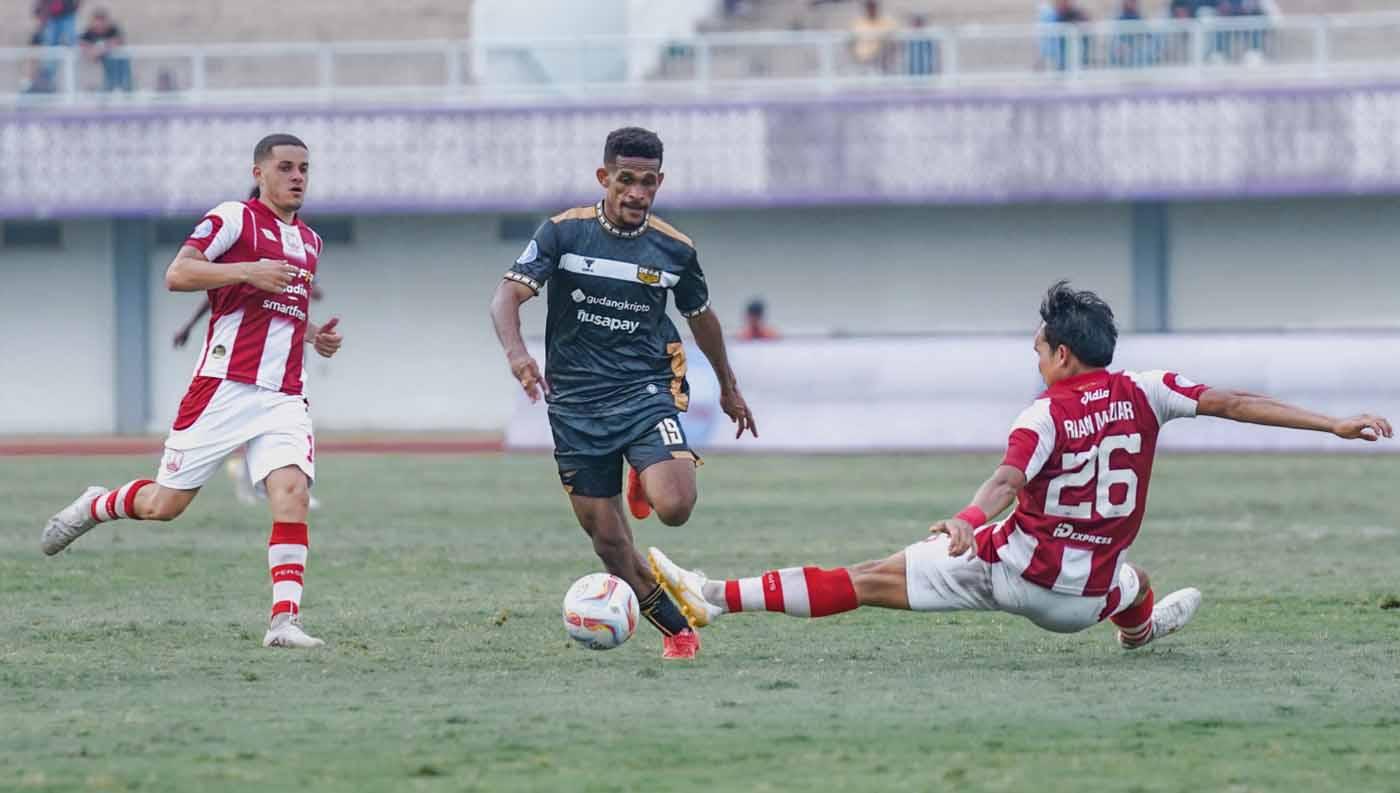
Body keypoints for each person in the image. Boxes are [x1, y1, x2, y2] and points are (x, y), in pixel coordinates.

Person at [650, 281, 1391, 651]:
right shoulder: (1150, 389)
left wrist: (970, 521)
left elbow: (1006, 481)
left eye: (1039, 347)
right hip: (1087, 592)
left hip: (1018, 575)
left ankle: (711, 594)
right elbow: (1234, 401)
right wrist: (1333, 421)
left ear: (1063, 355)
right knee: (1130, 579)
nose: (1034, 356)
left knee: (870, 577)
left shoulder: (1043, 415)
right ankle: (1140, 631)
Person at [42, 134, 344, 650]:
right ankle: (97, 504)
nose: (297, 177)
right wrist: (247, 268)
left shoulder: (310, 242)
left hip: (284, 394)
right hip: (223, 387)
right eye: (286, 167)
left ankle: (283, 622)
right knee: (165, 505)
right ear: (259, 173)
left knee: (291, 493)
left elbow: (279, 304)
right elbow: (178, 273)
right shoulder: (233, 218)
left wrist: (314, 334)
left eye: (304, 169)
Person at [490, 126, 758, 660]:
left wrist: (729, 387)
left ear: (660, 182)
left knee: (676, 506)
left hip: (643, 391)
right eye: (626, 180)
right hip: (573, 404)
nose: (637, 193)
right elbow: (506, 297)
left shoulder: (674, 248)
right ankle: (679, 631)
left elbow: (701, 318)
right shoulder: (563, 234)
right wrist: (519, 355)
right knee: (610, 544)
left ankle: (643, 467)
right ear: (604, 177)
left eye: (649, 183)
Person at [79, 8, 130, 92]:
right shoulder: (89, 32)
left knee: (123, 77)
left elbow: (118, 41)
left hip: (119, 62)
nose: (99, 25)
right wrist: (93, 51)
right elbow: (82, 43)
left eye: (101, 21)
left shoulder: (112, 29)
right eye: (96, 21)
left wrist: (102, 49)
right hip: (104, 63)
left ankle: (123, 90)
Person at [849, 0, 897, 74]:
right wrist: (854, 56)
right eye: (869, 8)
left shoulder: (886, 22)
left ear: (877, 8)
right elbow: (851, 41)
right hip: (862, 59)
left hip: (881, 58)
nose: (871, 10)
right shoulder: (858, 23)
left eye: (873, 7)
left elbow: (893, 39)